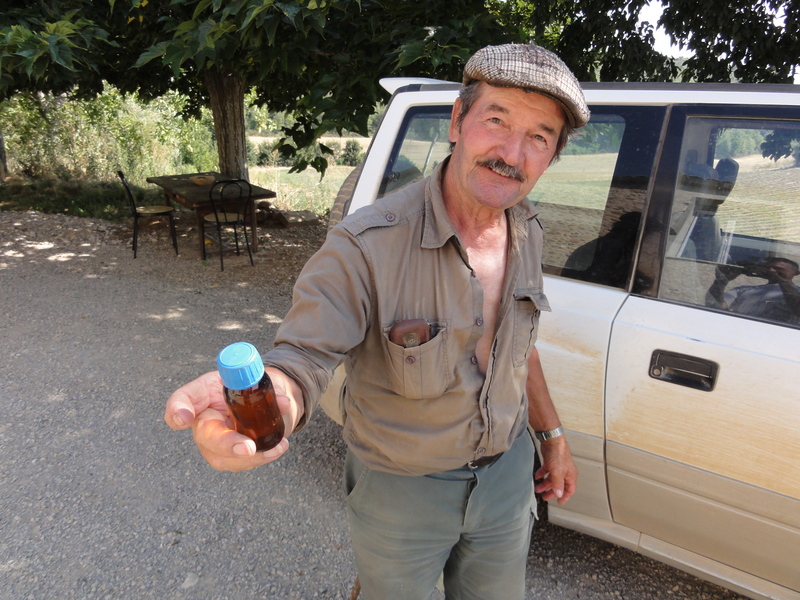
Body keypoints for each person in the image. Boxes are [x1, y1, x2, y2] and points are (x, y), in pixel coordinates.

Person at [165, 43, 587, 600]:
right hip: (401, 490)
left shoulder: (528, 230)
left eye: (539, 137)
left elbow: (517, 344)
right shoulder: (365, 245)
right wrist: (270, 400)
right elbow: (304, 357)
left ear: (552, 155)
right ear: (458, 121)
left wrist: (551, 437)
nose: (512, 152)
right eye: (497, 119)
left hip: (508, 478)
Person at [707, 257, 800, 325]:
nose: (771, 270)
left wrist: (779, 280)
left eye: (778, 269)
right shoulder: (744, 289)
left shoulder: (797, 291)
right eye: (768, 268)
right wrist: (721, 281)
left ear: (796, 272)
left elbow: (797, 308)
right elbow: (714, 305)